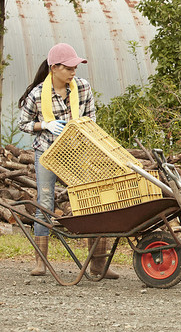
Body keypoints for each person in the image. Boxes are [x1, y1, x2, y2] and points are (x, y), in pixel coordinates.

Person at [18, 43, 119, 279]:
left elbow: (91, 118)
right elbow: (23, 124)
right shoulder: (36, 95)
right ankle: (41, 263)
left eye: (76, 67)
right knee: (44, 203)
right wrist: (44, 125)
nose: (74, 72)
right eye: (70, 67)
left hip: (76, 153)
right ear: (54, 68)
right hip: (47, 153)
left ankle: (97, 264)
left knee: (94, 199)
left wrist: (80, 133)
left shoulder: (82, 88)